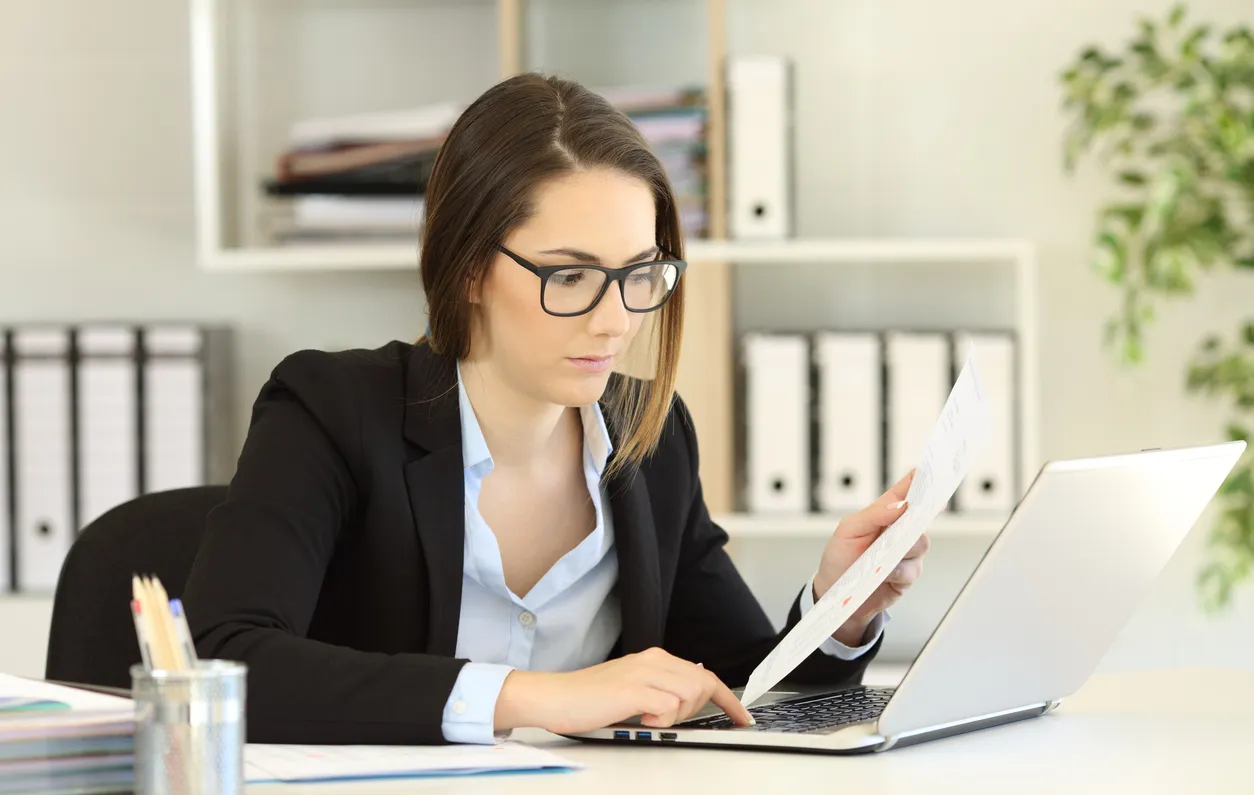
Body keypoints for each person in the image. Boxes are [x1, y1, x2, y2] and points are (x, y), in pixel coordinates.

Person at [181, 72, 930, 746]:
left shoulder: (652, 436)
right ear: (469, 268)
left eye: (640, 273)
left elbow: (738, 691)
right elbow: (226, 661)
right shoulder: (330, 411)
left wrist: (842, 607)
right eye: (570, 276)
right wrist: (539, 697)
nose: (615, 321)